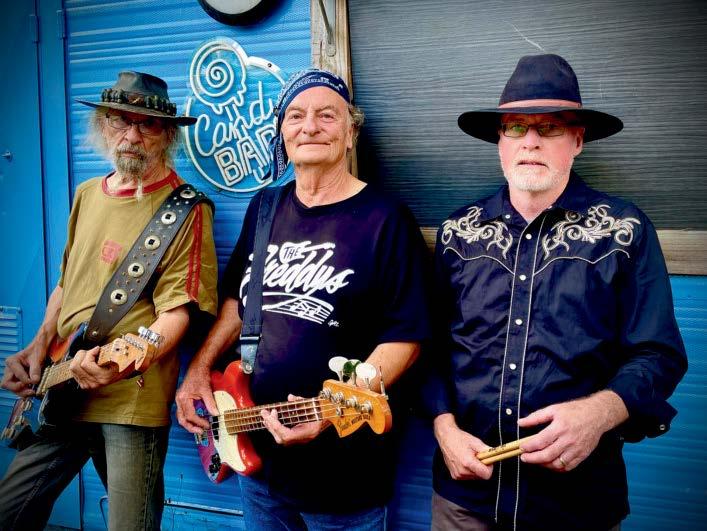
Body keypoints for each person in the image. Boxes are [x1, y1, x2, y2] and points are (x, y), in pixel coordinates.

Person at [425, 54, 687, 531]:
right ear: (500, 142)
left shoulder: (623, 231)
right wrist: (443, 428)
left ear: (577, 140)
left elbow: (659, 354)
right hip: (465, 499)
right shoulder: (458, 232)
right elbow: (430, 348)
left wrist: (599, 413)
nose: (530, 141)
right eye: (516, 127)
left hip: (576, 504)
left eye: (549, 128)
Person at [175, 69, 429, 530]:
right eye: (296, 116)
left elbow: (405, 340)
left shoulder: (386, 219)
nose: (310, 126)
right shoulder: (264, 207)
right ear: (283, 134)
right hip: (257, 467)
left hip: (345, 476)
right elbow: (237, 305)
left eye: (327, 115)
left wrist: (329, 414)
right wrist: (198, 368)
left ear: (350, 134)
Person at [0, 71, 218, 530]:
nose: (132, 136)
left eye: (148, 125)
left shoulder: (186, 208)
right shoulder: (86, 194)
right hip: (60, 386)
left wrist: (127, 359)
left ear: (167, 135)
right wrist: (39, 345)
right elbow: (68, 284)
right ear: (103, 126)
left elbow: (177, 311)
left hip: (129, 400)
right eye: (120, 121)